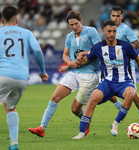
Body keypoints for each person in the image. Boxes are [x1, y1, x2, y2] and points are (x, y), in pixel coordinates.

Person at [28, 10, 121, 138]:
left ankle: (88, 118)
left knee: (74, 109)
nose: (74, 27)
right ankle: (42, 128)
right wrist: (70, 63)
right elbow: (65, 55)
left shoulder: (91, 31)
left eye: (76, 23)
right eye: (71, 25)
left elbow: (99, 49)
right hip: (74, 72)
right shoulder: (69, 36)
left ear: (81, 21)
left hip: (89, 74)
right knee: (55, 96)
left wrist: (84, 57)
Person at [72, 20, 139, 139]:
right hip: (107, 83)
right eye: (109, 31)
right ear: (104, 32)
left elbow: (138, 59)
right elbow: (87, 59)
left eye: (114, 31)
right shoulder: (99, 47)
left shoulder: (125, 46)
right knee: (93, 98)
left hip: (124, 82)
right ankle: (81, 133)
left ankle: (115, 123)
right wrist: (77, 61)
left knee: (131, 93)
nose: (111, 34)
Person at [0, 6, 49, 150]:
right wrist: (42, 71)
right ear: (17, 19)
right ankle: (14, 143)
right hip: (22, 78)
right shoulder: (26, 33)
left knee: (9, 107)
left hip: (4, 74)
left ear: (2, 20)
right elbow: (38, 51)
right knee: (10, 107)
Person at [109, 6, 139, 126]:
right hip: (112, 67)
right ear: (110, 16)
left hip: (127, 68)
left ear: (122, 16)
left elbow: (137, 44)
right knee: (107, 88)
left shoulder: (126, 29)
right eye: (113, 16)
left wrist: (124, 49)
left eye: (118, 16)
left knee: (132, 94)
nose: (115, 18)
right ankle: (120, 108)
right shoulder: (109, 29)